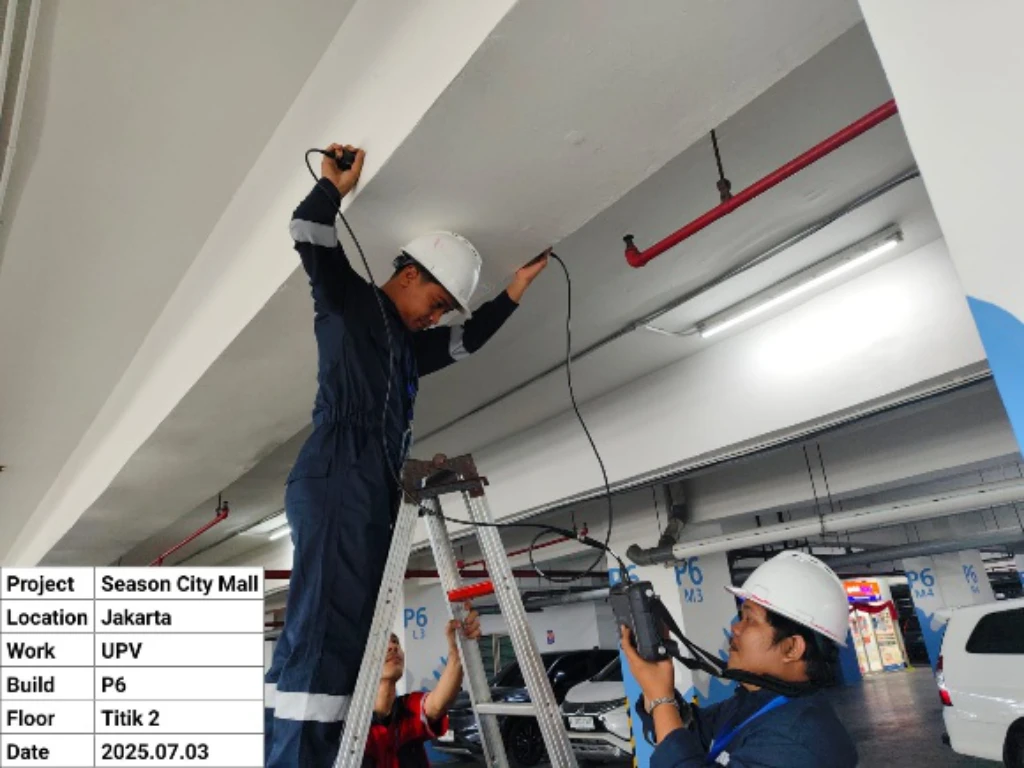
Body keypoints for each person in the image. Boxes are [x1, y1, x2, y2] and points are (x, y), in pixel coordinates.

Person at [264, 144, 550, 768]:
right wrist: (333, 187)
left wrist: (514, 292)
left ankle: (305, 750)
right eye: (438, 303)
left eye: (444, 311)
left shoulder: (405, 347)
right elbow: (307, 231)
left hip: (371, 483)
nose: (436, 318)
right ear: (412, 274)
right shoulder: (350, 301)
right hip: (339, 471)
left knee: (347, 624)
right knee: (327, 627)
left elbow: (466, 344)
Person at [620, 550, 858, 767]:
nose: (735, 628)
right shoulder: (751, 703)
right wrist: (657, 685)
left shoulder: (799, 740)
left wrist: (661, 699)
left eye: (750, 620)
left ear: (792, 648)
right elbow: (692, 735)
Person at [364, 603, 482, 767]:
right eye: (382, 645)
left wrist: (457, 652)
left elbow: (437, 705)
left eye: (395, 642)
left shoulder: (408, 708)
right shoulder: (352, 726)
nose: (393, 647)